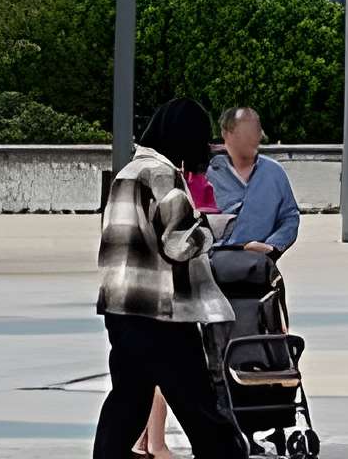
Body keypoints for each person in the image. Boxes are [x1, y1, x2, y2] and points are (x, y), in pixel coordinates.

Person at [92, 96, 249, 459]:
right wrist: (210, 229)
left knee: (127, 400)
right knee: (199, 405)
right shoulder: (162, 174)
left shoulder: (128, 172)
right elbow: (179, 243)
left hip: (120, 306)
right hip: (160, 309)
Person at [207, 108, 300, 257]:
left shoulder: (274, 171)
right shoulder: (208, 172)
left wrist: (271, 247)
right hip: (213, 262)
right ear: (226, 134)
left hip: (258, 263)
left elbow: (290, 217)